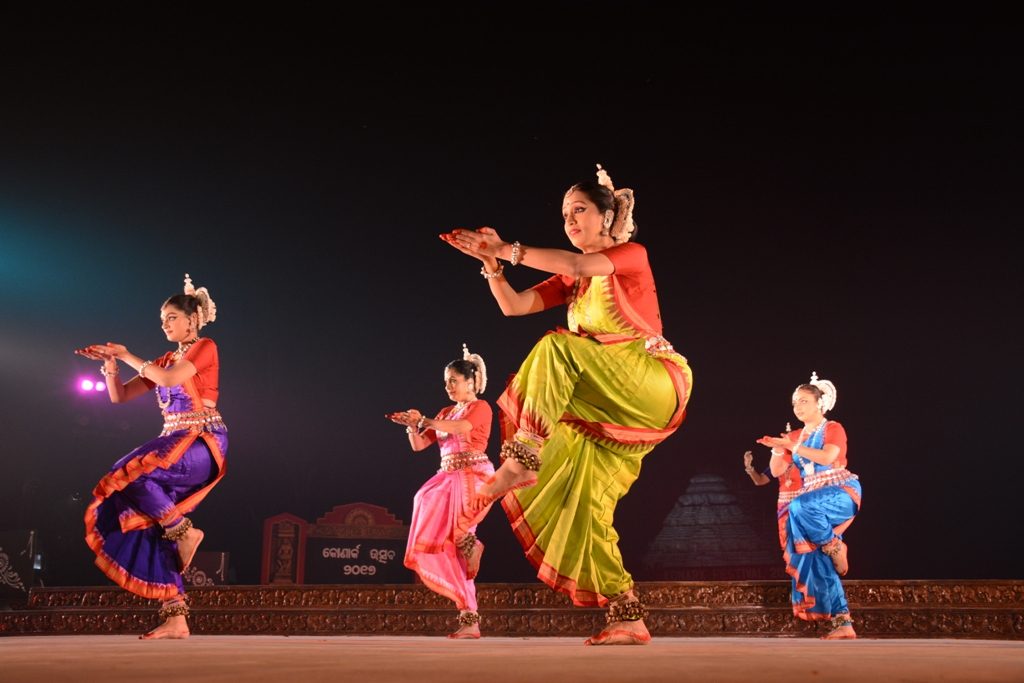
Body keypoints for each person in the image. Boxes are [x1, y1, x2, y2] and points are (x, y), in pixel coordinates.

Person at [440, 165, 692, 646]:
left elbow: (578, 265)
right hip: (602, 401)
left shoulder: (629, 255)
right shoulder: (569, 281)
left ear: (607, 217)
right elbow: (513, 307)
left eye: (579, 210)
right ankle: (626, 613)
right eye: (564, 215)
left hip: (651, 381)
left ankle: (520, 455)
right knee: (582, 505)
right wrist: (493, 266)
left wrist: (508, 249)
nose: (570, 220)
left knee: (556, 348)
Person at [75, 274, 226, 640]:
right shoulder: (161, 359)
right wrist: (112, 364)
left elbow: (171, 380)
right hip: (173, 440)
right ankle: (175, 614)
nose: (165, 324)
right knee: (143, 519)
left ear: (192, 319)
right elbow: (119, 397)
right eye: (162, 319)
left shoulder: (205, 346)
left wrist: (127, 353)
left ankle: (184, 532)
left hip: (200, 441)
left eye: (171, 317)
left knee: (130, 475)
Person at [386, 345, 495, 639]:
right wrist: (412, 426)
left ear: (471, 382)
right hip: (447, 479)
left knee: (458, 532)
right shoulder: (446, 411)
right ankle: (469, 617)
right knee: (437, 528)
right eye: (446, 381)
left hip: (473, 477)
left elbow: (462, 428)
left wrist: (425, 421)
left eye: (453, 380)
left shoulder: (480, 407)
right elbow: (420, 446)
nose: (448, 386)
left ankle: (470, 540)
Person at [756, 372, 862, 640]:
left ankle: (835, 545)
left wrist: (793, 445)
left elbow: (828, 456)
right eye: (795, 402)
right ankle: (843, 620)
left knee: (799, 508)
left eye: (804, 401)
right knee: (813, 557)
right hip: (810, 498)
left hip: (839, 491)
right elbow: (776, 470)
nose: (798, 406)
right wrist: (780, 449)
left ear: (820, 403)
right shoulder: (795, 436)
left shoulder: (833, 428)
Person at [743, 424, 803, 552]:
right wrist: (749, 467)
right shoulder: (778, 462)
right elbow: (760, 481)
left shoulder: (805, 458)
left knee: (807, 541)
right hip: (784, 505)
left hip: (804, 503)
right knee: (789, 545)